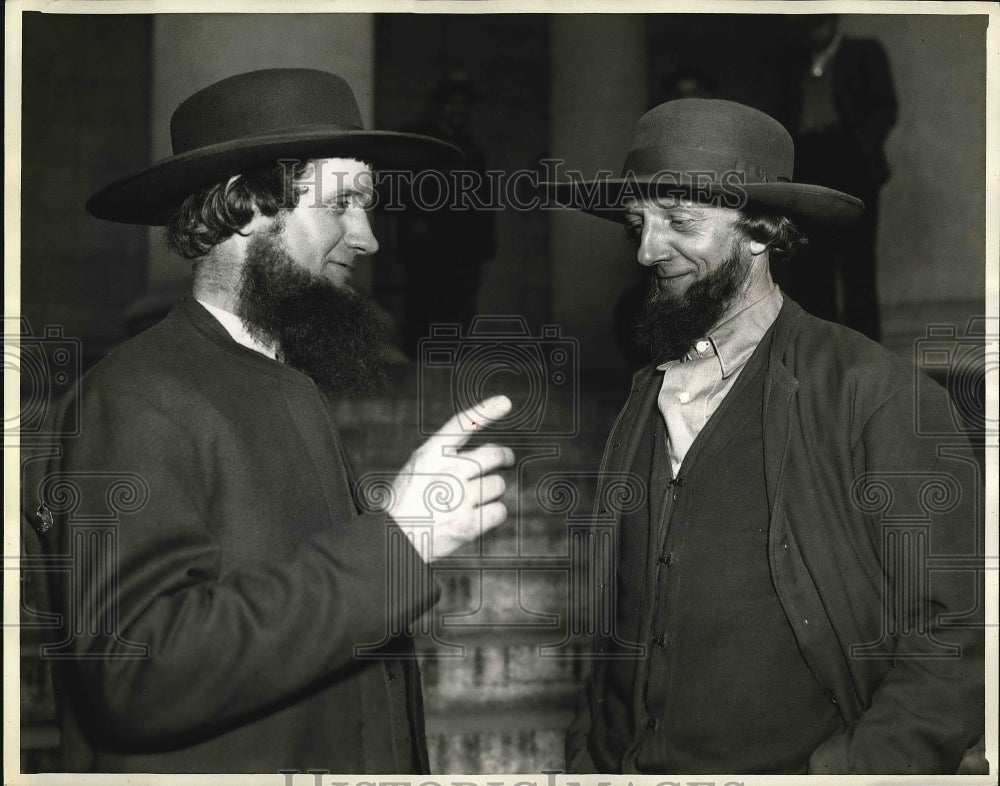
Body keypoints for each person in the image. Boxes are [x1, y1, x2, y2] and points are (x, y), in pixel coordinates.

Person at [27, 68, 514, 774]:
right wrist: (398, 543)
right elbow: (137, 670)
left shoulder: (284, 380)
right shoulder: (136, 394)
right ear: (244, 205)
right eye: (343, 203)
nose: (370, 238)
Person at [544, 99, 983, 774]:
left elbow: (949, 642)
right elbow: (616, 634)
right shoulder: (642, 396)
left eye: (678, 221)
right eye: (639, 222)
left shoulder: (874, 394)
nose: (645, 250)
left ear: (762, 231)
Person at [767, 14, 897, 341]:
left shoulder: (864, 52)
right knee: (812, 261)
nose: (814, 33)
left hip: (851, 162)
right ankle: (822, 351)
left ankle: (865, 352)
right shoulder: (792, 61)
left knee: (858, 264)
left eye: (820, 24)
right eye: (807, 25)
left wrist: (859, 147)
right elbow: (782, 111)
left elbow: (885, 107)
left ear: (834, 22)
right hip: (809, 162)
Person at [399, 67, 497, 357]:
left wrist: (486, 243)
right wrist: (412, 235)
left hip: (465, 251)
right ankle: (419, 381)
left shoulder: (474, 152)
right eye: (452, 103)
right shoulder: (422, 147)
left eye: (464, 105)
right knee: (423, 313)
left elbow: (484, 202)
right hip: (427, 249)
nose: (458, 110)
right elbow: (404, 196)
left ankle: (451, 380)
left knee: (459, 314)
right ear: (440, 107)